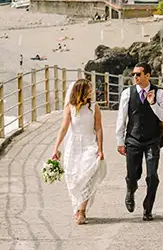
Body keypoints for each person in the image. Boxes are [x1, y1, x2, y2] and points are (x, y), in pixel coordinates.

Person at [115, 62, 163, 221]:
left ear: (147, 75)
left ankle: (148, 209)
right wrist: (120, 141)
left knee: (152, 176)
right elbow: (122, 118)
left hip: (152, 140)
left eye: (138, 74)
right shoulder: (127, 93)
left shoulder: (159, 93)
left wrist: (153, 103)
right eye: (133, 74)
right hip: (133, 140)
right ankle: (130, 191)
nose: (135, 77)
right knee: (133, 175)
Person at [51, 79, 107, 225]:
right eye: (89, 88)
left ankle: (82, 210)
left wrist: (100, 149)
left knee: (88, 174)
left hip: (89, 144)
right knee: (73, 177)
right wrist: (56, 147)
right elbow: (64, 128)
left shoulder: (94, 107)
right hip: (73, 145)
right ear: (82, 90)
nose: (92, 91)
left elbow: (98, 128)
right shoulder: (70, 107)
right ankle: (77, 206)